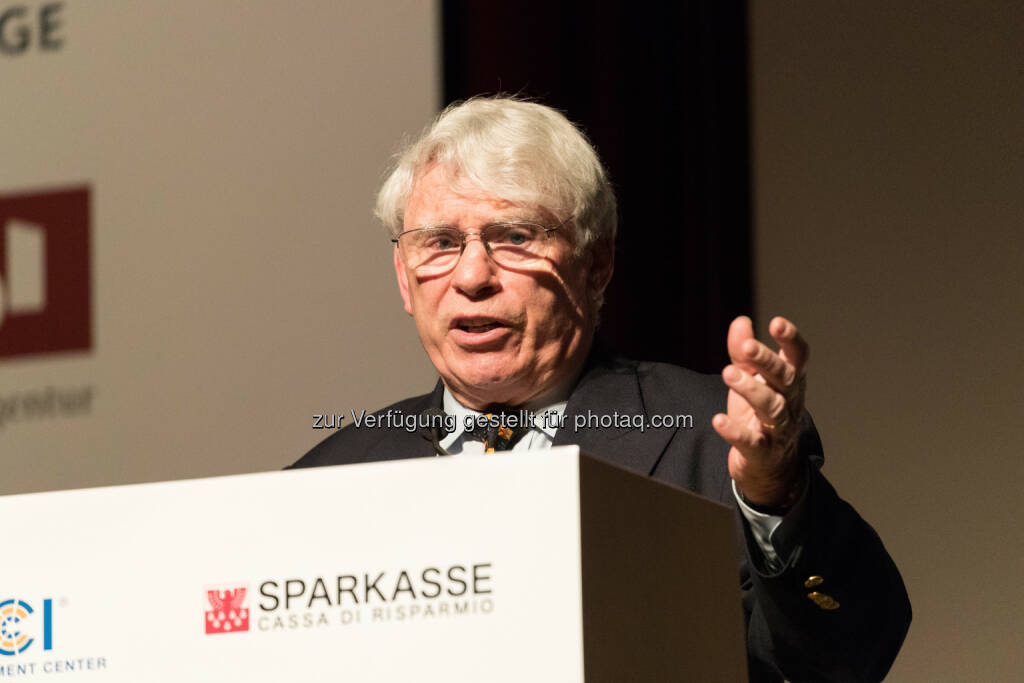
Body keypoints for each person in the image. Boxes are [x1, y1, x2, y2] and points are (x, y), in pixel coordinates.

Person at [290, 96, 911, 681]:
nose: (473, 275)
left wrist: (774, 497)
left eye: (515, 236)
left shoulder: (713, 442)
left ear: (597, 264)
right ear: (405, 278)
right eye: (441, 243)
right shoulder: (320, 485)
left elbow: (850, 655)